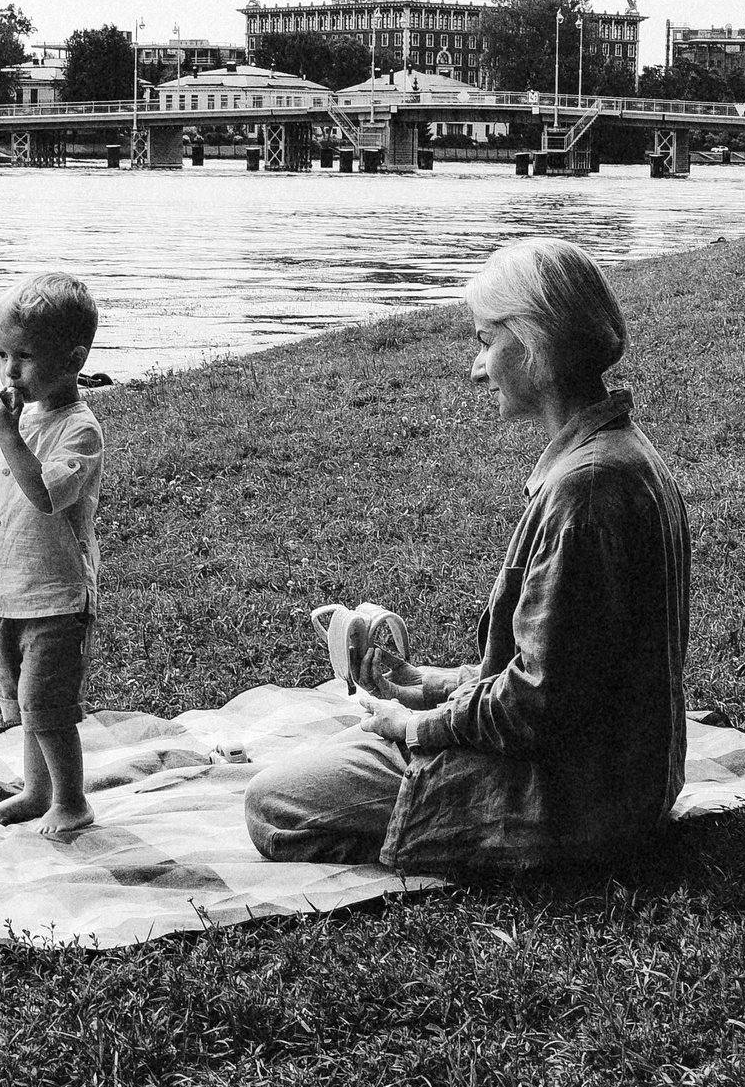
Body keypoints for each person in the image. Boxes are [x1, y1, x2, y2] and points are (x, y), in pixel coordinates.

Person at [243, 238, 692, 874]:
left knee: (272, 803)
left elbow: (540, 706)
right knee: (348, 745)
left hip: (576, 800)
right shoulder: (618, 453)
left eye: (486, 341)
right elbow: (570, 670)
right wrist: (432, 685)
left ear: (533, 344)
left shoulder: (585, 489)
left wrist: (419, 727)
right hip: (625, 778)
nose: (477, 369)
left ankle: (451, 832)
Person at [0, 272, 107, 835]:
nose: (9, 371)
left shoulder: (79, 431)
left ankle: (72, 800)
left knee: (47, 704)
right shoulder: (12, 421)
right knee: (24, 701)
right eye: (1, 355)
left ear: (73, 360)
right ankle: (38, 791)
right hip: (11, 589)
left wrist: (7, 436)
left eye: (24, 357)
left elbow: (44, 495)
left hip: (56, 593)